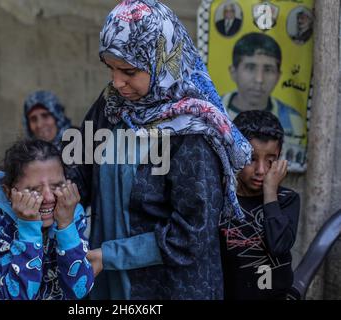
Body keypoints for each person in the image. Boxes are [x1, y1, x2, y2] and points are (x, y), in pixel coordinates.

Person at [68, 0, 252, 300]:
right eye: (110, 68)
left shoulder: (191, 133)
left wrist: (111, 255)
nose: (117, 82)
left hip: (171, 288)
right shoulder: (111, 106)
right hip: (109, 282)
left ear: (162, 62)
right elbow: (81, 168)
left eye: (128, 70)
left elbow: (192, 235)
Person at [0, 139, 94, 300]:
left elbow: (78, 291)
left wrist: (66, 226)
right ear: (8, 192)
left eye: (57, 186)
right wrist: (29, 230)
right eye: (33, 190)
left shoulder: (73, 214)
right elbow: (15, 296)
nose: (48, 197)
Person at [219, 110, 300, 300]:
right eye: (251, 159)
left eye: (270, 160)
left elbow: (279, 246)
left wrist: (270, 192)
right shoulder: (221, 198)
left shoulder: (287, 199)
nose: (261, 170)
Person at [221, 32, 306, 166]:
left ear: (278, 76)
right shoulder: (212, 112)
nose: (259, 79)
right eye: (250, 67)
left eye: (268, 69)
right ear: (233, 72)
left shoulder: (294, 121)